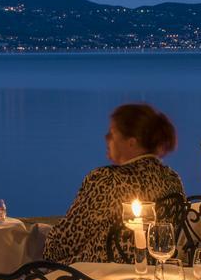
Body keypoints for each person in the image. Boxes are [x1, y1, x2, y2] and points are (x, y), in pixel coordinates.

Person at [44, 103, 185, 265]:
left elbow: (60, 245)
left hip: (97, 279)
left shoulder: (106, 180)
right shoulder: (172, 179)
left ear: (131, 142)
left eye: (112, 134)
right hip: (155, 274)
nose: (106, 139)